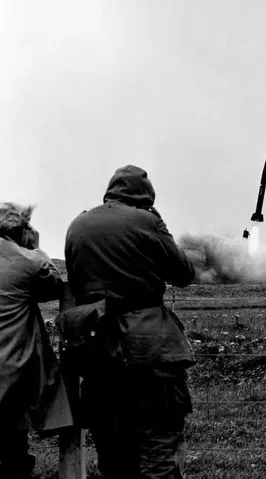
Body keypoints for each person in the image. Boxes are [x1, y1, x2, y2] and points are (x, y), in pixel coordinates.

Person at [64, 165, 195, 479]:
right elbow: (183, 273)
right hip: (150, 348)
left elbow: (76, 279)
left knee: (112, 453)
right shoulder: (147, 220)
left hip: (96, 349)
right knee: (158, 450)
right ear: (145, 197)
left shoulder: (77, 224)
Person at [0, 202, 62, 478]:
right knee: (13, 447)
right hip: (10, 373)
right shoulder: (27, 261)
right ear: (20, 229)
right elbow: (53, 285)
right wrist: (35, 248)